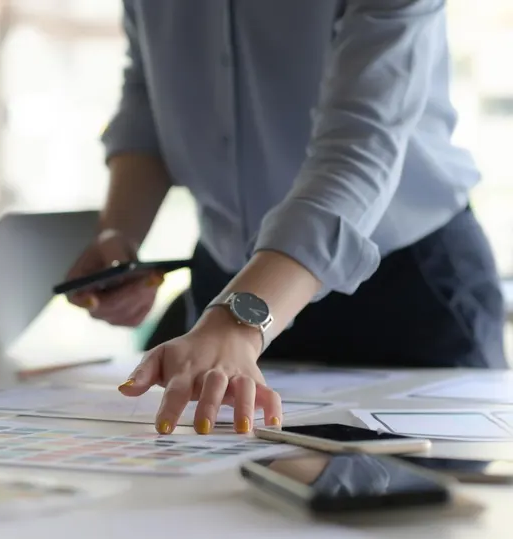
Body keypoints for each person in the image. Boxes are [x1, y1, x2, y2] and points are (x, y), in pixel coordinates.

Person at [64, 1, 506, 437]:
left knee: (417, 503)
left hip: (407, 292)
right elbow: (146, 94)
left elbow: (358, 150)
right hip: (229, 291)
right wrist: (120, 233)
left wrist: (237, 322)